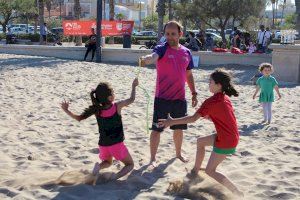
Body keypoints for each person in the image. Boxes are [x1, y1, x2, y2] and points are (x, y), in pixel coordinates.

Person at [158, 68, 243, 197]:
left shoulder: (211, 102)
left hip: (226, 140)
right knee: (200, 142)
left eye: (210, 82)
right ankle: (195, 171)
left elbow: (192, 119)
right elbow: (223, 116)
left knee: (210, 171)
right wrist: (209, 116)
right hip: (230, 135)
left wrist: (171, 122)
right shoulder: (224, 98)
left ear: (219, 85)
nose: (208, 84)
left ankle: (237, 193)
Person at [139, 21, 198, 167]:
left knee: (178, 129)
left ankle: (178, 154)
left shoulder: (186, 52)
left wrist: (194, 92)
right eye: (167, 34)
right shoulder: (162, 48)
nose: (170, 37)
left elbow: (189, 75)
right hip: (162, 98)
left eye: (173, 34)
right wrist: (146, 60)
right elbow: (153, 56)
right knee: (157, 129)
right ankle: (153, 158)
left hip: (179, 98)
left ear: (180, 34)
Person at [61, 78, 139, 182]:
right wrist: (134, 86)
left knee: (108, 162)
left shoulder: (96, 110)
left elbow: (79, 118)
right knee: (130, 164)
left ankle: (99, 167)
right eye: (113, 92)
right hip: (116, 144)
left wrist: (66, 110)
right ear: (110, 97)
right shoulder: (117, 106)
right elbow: (131, 99)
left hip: (103, 145)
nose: (114, 94)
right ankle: (115, 177)